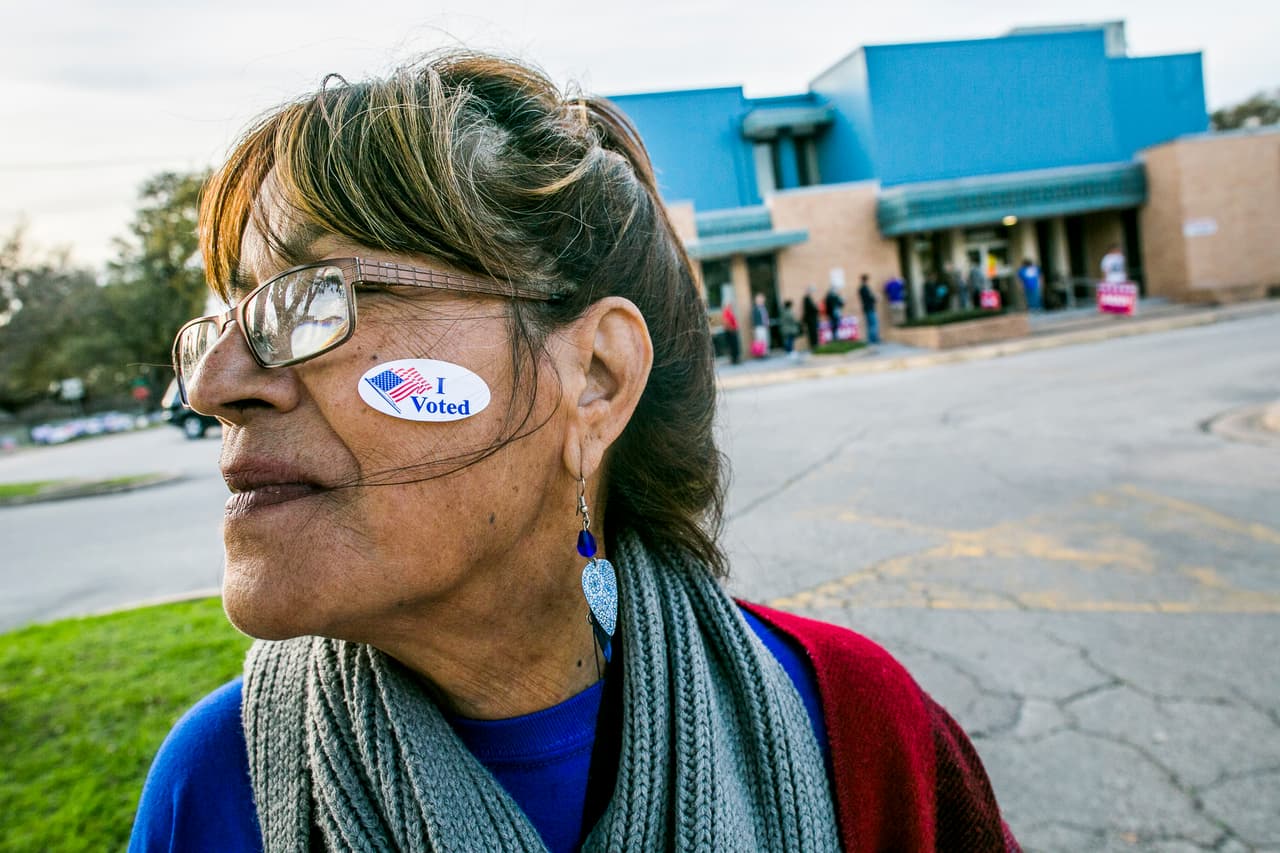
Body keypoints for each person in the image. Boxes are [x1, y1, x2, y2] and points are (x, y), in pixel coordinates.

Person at [130, 51, 1019, 853]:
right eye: (227, 317)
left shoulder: (861, 733)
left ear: (594, 378)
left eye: (312, 299)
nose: (212, 383)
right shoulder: (217, 790)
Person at [857, 274, 879, 344]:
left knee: (870, 324)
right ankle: (873, 339)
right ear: (866, 280)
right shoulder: (865, 288)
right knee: (873, 323)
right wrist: (875, 298)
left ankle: (871, 339)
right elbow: (869, 298)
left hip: (867, 308)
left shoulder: (861, 288)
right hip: (869, 308)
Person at [801, 286, 822, 351]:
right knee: (812, 333)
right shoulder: (806, 299)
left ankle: (815, 345)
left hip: (812, 319)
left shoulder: (808, 299)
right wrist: (816, 307)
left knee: (814, 332)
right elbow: (812, 308)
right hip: (811, 320)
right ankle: (814, 345)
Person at [721, 300, 741, 364]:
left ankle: (736, 359)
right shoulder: (726, 312)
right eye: (728, 305)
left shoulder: (730, 312)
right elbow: (726, 322)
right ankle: (734, 360)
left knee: (735, 345)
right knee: (732, 345)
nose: (730, 306)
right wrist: (732, 329)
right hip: (730, 332)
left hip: (733, 331)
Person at [750, 292, 771, 358]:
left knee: (765, 340)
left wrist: (767, 323)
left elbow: (766, 316)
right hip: (758, 327)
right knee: (760, 341)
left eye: (762, 298)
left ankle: (765, 353)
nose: (762, 300)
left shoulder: (763, 307)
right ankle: (761, 355)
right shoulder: (755, 309)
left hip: (765, 326)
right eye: (760, 299)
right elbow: (753, 319)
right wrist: (753, 328)